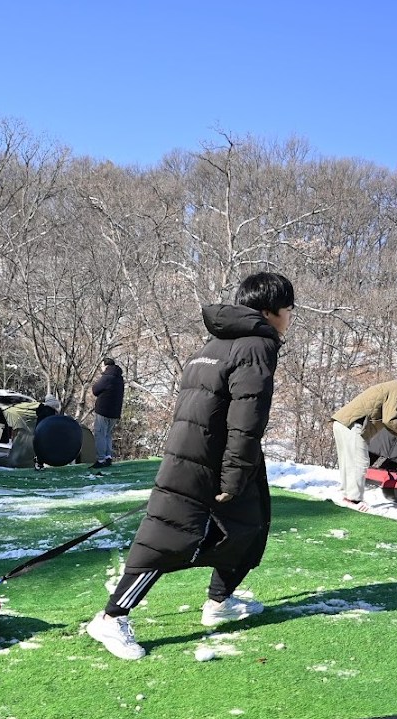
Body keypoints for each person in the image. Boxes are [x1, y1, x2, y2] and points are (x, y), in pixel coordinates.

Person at [85, 271, 295, 660]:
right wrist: (233, 474)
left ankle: (220, 602)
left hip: (206, 451)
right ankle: (112, 617)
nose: (289, 318)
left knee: (249, 528)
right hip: (206, 459)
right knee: (166, 537)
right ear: (269, 312)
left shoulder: (216, 341)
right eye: (287, 310)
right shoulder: (256, 345)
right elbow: (245, 419)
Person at [330, 371, 397, 511]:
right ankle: (353, 499)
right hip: (355, 424)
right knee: (360, 462)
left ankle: (345, 494)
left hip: (344, 422)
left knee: (349, 461)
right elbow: (390, 420)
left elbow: (387, 422)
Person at [90, 356, 125, 469]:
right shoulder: (119, 378)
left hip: (103, 410)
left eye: (101, 366)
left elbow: (95, 390)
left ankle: (100, 459)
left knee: (100, 434)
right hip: (115, 411)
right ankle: (108, 457)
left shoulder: (107, 377)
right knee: (108, 434)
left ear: (105, 365)